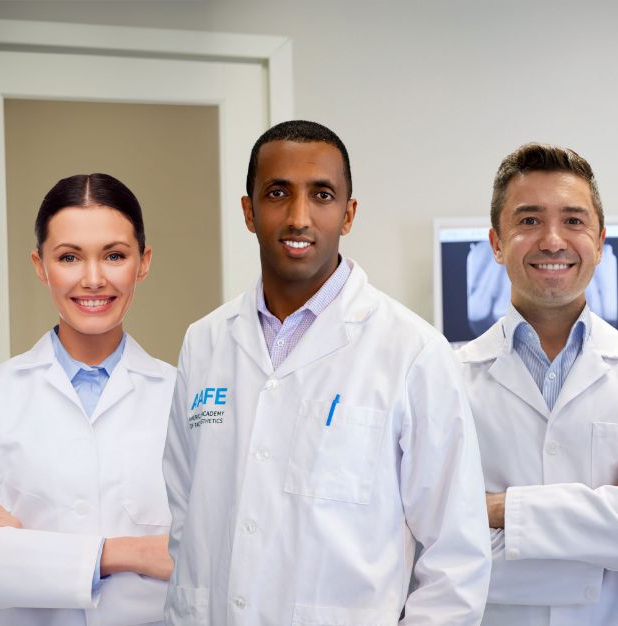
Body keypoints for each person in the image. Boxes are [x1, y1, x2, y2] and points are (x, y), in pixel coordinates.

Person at [162, 120, 491, 624]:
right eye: (277, 193)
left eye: (321, 194)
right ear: (249, 212)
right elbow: (187, 518)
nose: (299, 217)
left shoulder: (413, 351)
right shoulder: (204, 341)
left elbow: (457, 555)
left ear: (348, 212)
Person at [457, 143, 618, 625]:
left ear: (600, 241)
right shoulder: (445, 379)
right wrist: (614, 530)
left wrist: (502, 509)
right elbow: (438, 547)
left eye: (573, 221)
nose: (553, 240)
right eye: (529, 221)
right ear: (495, 241)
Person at [0, 173, 175, 626]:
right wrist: (132, 552)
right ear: (40, 266)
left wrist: (25, 547)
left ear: (142, 263)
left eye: (114, 256)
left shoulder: (185, 399)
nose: (93, 279)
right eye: (69, 257)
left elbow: (207, 560)